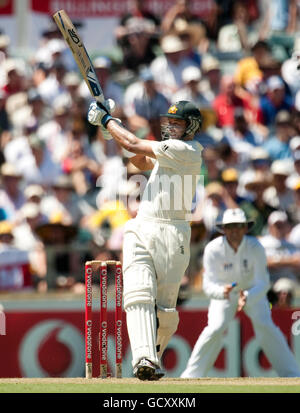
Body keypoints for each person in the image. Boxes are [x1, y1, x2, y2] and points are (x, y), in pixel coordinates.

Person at [88, 99, 203, 380]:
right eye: (170, 122)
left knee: (165, 312)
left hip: (172, 233)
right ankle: (144, 360)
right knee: (137, 293)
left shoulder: (187, 150)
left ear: (192, 127)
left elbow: (134, 145)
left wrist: (107, 121)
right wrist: (110, 133)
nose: (171, 127)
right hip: (142, 226)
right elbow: (137, 158)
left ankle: (154, 356)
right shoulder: (169, 150)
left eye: (177, 123)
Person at [181, 208, 300, 378]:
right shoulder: (213, 249)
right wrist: (222, 292)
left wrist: (249, 296)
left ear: (245, 228)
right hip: (225, 295)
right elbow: (208, 285)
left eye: (238, 226)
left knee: (266, 326)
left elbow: (263, 281)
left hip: (253, 293)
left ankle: (292, 374)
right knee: (215, 327)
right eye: (230, 226)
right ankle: (191, 376)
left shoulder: (255, 247)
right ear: (223, 229)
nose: (234, 230)